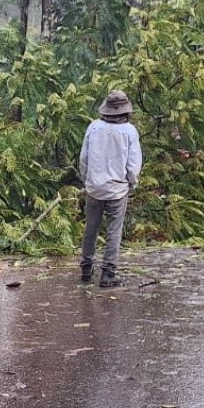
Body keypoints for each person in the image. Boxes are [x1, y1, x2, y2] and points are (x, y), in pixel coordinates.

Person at [79, 90, 142, 288]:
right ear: (125, 111)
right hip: (117, 189)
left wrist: (87, 179)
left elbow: (84, 158)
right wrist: (132, 183)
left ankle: (86, 268)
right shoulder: (129, 131)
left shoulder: (94, 127)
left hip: (94, 187)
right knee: (114, 230)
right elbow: (133, 164)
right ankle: (108, 272)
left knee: (91, 228)